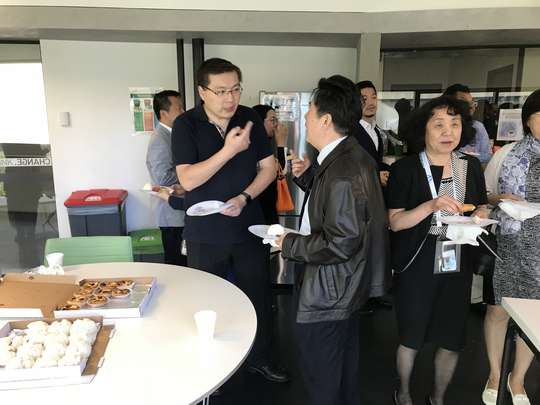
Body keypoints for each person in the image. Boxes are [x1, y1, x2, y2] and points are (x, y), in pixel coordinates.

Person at [170, 57, 289, 383]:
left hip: (248, 228)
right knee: (207, 303)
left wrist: (244, 197)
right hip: (204, 233)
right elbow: (188, 179)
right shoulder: (186, 124)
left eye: (235, 89)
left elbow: (268, 169)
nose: (230, 98)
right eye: (221, 91)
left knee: (257, 296)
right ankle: (213, 369)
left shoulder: (249, 118)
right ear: (202, 91)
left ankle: (258, 357)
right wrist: (229, 149)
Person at [275, 75, 391, 405]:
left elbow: (340, 242)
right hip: (344, 285)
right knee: (341, 371)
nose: (306, 117)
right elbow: (342, 210)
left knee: (323, 379)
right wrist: (308, 178)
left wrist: (286, 243)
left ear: (326, 119)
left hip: (328, 291)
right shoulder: (348, 155)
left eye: (310, 110)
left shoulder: (342, 172)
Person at [387, 95, 488, 405]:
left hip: (457, 258)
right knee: (412, 336)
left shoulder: (470, 165)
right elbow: (395, 222)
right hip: (418, 261)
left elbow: (481, 206)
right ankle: (404, 393)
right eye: (439, 124)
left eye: (455, 124)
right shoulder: (405, 168)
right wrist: (431, 206)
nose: (448, 132)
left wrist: (478, 217)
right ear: (423, 129)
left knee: (452, 338)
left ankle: (438, 397)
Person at [481, 89, 540, 405]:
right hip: (506, 247)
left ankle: (517, 379)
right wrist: (500, 198)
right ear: (528, 120)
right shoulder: (506, 154)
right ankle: (494, 372)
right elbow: (484, 194)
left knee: (534, 318)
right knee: (497, 311)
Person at [146, 90, 187, 266]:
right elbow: (163, 178)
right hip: (171, 214)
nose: (183, 112)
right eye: (179, 108)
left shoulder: (172, 135)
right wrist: (190, 171)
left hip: (178, 210)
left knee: (184, 262)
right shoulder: (160, 140)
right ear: (164, 113)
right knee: (176, 263)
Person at [252, 104, 289, 224]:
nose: (276, 124)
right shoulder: (253, 145)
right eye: (272, 120)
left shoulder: (263, 143)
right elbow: (280, 171)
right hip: (261, 207)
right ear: (259, 121)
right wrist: (281, 142)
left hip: (266, 205)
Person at [443, 84, 493, 166]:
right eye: (464, 102)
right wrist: (463, 155)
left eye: (472, 103)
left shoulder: (478, 127)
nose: (470, 107)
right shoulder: (441, 127)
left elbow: (488, 157)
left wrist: (473, 154)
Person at [353, 80, 390, 186]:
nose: (370, 103)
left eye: (373, 97)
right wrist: (374, 177)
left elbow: (376, 163)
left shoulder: (375, 131)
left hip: (375, 192)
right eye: (364, 99)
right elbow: (347, 167)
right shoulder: (350, 132)